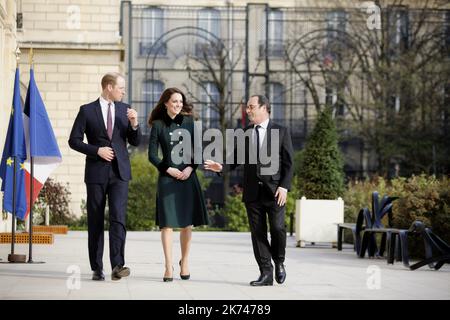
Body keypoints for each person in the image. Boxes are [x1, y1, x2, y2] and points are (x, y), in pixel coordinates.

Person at [204, 95, 293, 286]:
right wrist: (221, 167)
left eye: (251, 107)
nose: (248, 111)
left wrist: (284, 187)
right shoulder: (245, 133)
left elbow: (289, 164)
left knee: (278, 228)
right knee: (258, 233)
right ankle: (266, 273)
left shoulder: (281, 131)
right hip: (252, 192)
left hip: (275, 190)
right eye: (247, 107)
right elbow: (235, 159)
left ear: (264, 108)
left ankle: (279, 261)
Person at [68, 72, 141, 281]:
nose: (123, 91)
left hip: (120, 173)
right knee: (96, 220)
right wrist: (96, 150)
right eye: (121, 87)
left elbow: (135, 141)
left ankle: (118, 265)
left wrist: (134, 124)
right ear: (109, 87)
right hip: (96, 173)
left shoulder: (125, 110)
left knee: (118, 218)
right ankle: (97, 268)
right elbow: (73, 141)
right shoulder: (87, 111)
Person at [148, 87, 209, 282]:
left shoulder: (190, 123)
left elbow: (198, 151)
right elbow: (152, 155)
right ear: (166, 102)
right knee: (166, 225)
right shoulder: (158, 125)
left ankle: (186, 262)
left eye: (181, 102)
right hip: (167, 178)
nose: (178, 105)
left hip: (187, 177)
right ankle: (168, 266)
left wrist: (191, 168)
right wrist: (167, 169)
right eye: (175, 101)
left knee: (186, 224)